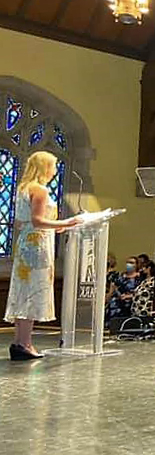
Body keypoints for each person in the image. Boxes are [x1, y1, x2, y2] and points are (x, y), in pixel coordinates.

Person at [6, 151, 81, 359]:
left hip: (26, 243)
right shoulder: (39, 190)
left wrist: (56, 228)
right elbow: (38, 220)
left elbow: (26, 222)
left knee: (24, 293)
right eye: (53, 166)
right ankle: (25, 343)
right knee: (32, 293)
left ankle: (19, 342)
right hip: (36, 246)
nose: (55, 170)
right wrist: (67, 222)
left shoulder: (24, 188)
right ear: (45, 167)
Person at [106, 255, 143, 320]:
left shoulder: (139, 278)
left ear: (136, 265)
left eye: (131, 263)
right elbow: (113, 288)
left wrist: (128, 296)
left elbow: (141, 292)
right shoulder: (121, 276)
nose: (129, 264)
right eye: (128, 262)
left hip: (131, 302)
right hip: (117, 302)